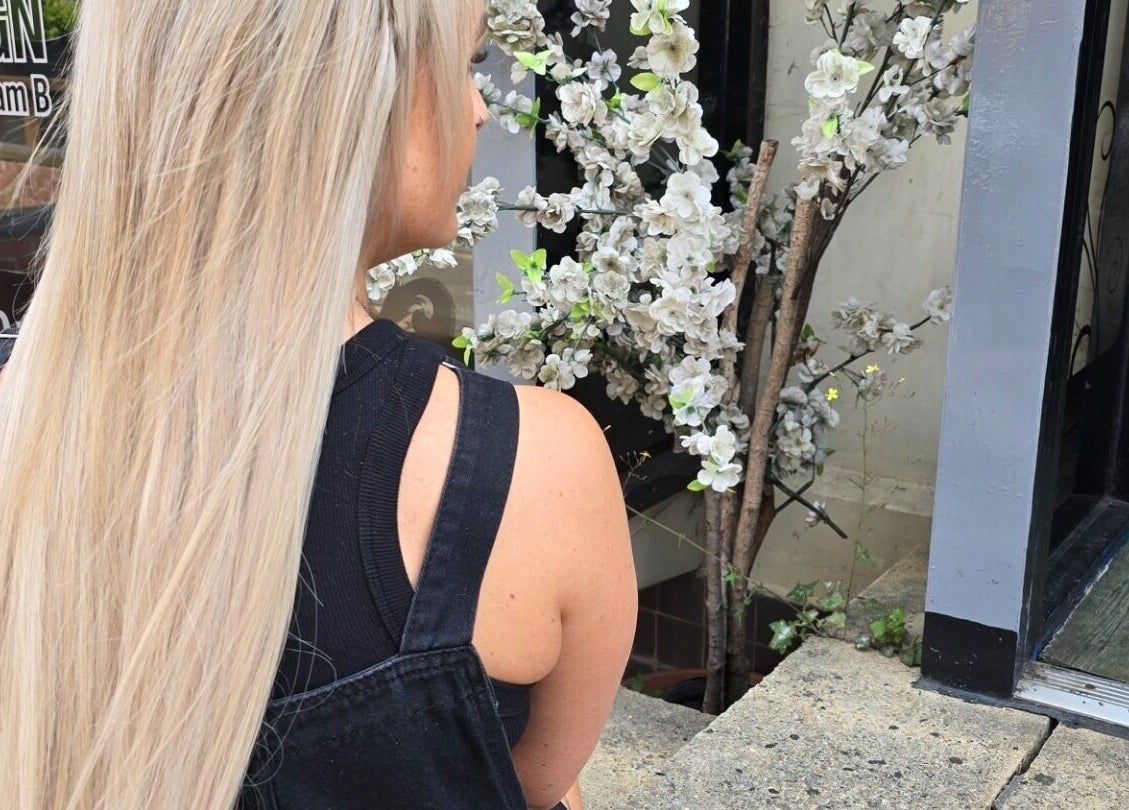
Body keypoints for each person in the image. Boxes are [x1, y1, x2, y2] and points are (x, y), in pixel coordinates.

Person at [0, 2, 638, 808]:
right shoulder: (533, 468)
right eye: (467, 66)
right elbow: (532, 784)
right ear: (356, 94)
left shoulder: (21, 433)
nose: (478, 109)